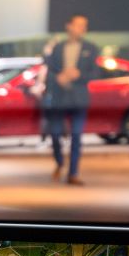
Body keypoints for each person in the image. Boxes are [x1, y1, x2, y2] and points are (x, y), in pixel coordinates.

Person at [42, 14, 100, 186]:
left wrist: (79, 74)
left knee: (76, 136)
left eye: (85, 25)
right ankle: (59, 162)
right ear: (69, 26)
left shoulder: (91, 48)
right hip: (60, 98)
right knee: (55, 133)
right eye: (79, 25)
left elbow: (96, 73)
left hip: (79, 99)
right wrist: (58, 77)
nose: (82, 29)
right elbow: (50, 70)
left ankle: (73, 172)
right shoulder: (58, 47)